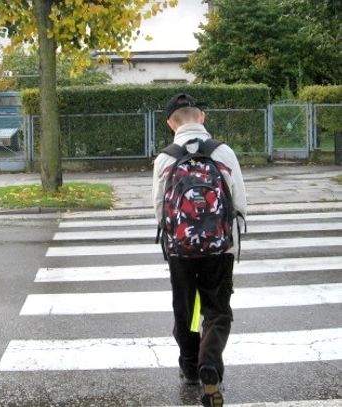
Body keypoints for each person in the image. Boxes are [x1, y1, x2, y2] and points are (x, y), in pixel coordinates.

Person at [152, 94, 247, 407]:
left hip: (180, 249)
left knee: (185, 308)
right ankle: (210, 362)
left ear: (171, 123)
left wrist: (172, 239)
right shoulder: (224, 152)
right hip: (219, 248)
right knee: (217, 310)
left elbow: (159, 207)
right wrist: (230, 243)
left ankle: (190, 368)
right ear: (202, 117)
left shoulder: (166, 158)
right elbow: (239, 201)